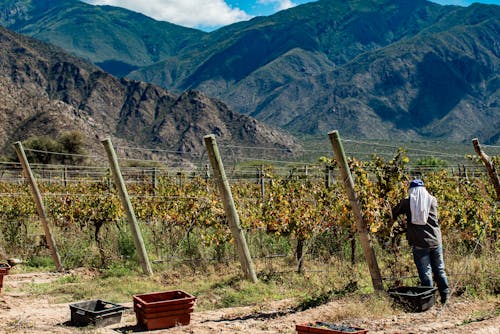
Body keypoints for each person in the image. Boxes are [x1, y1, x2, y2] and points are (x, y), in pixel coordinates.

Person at [392, 179, 450, 304]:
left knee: (426, 272)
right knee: (440, 269)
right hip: (436, 241)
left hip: (420, 243)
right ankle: (445, 297)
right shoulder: (433, 200)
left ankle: (429, 300)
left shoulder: (408, 202)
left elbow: (393, 212)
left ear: (411, 190)